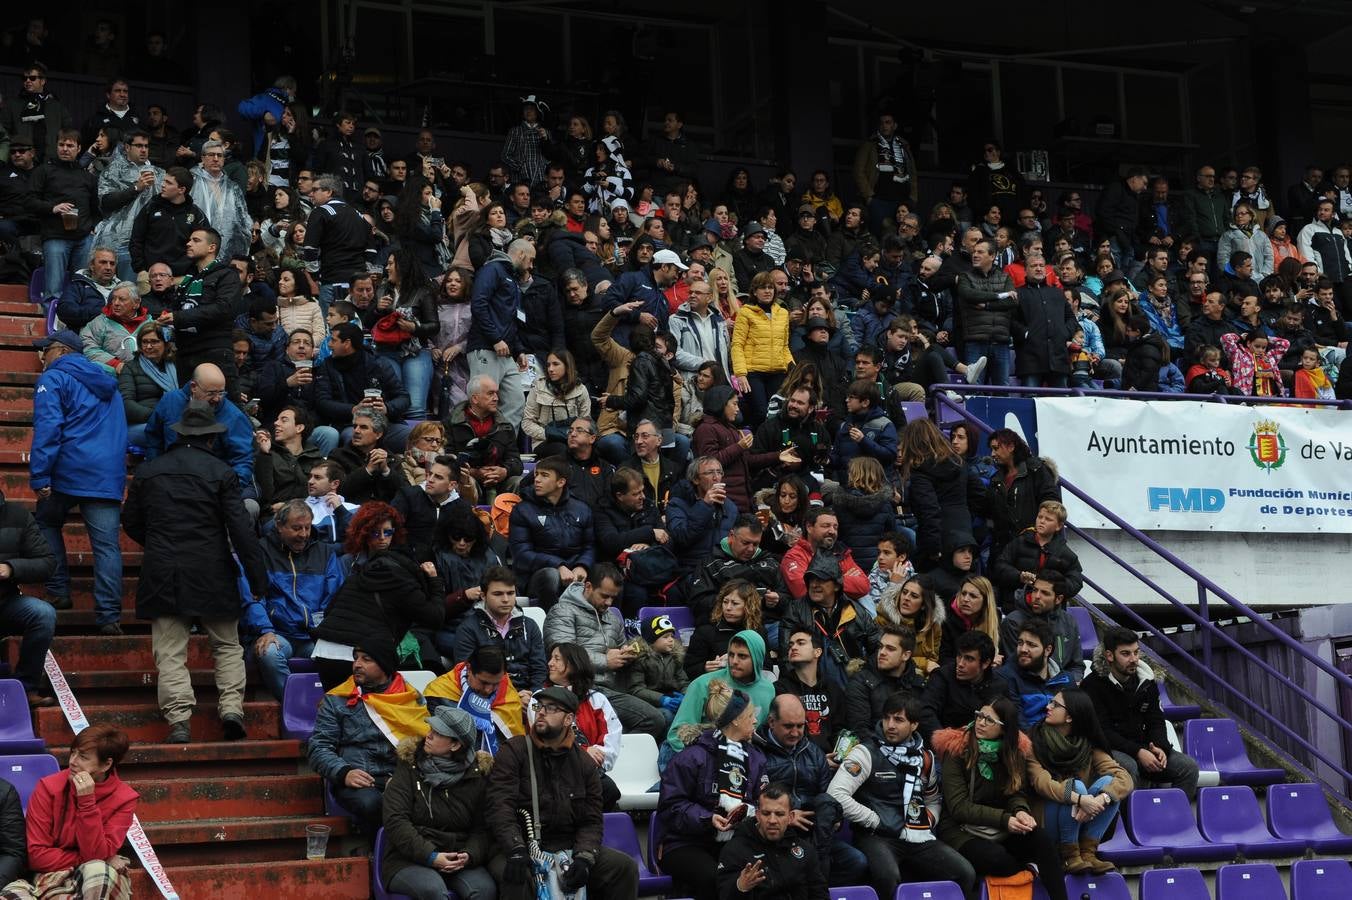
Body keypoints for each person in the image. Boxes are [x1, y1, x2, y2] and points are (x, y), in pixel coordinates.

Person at [123, 400, 266, 744]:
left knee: (170, 651)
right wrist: (258, 578)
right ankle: (231, 709)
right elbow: (242, 530)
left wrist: (157, 541)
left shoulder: (147, 471)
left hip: (163, 569)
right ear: (212, 438)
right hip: (213, 569)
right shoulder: (222, 473)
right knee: (227, 646)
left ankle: (179, 721)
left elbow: (131, 523)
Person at [485, 686, 640, 899]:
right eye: (539, 706)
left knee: (623, 867)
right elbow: (500, 806)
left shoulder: (584, 763)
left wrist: (584, 858)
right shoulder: (514, 750)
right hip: (520, 846)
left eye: (551, 709)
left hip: (568, 846)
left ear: (568, 719)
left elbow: (591, 821)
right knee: (515, 874)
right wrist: (516, 849)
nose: (540, 712)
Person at [830, 692, 977, 900]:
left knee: (965, 873)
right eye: (887, 717)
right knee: (887, 876)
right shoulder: (865, 753)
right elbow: (835, 794)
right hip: (876, 836)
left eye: (898, 720)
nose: (890, 725)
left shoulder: (924, 757)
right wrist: (874, 820)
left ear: (914, 725)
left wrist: (929, 820)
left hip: (917, 835)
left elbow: (933, 797)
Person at [29, 330, 127, 631]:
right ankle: (109, 617)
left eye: (45, 349)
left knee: (45, 522)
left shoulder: (53, 378)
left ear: (60, 350)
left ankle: (59, 591)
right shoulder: (108, 383)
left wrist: (40, 474)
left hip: (67, 471)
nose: (42, 356)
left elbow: (48, 427)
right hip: (105, 474)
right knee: (107, 547)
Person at [932, 698, 1069, 900]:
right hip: (960, 829)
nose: (980, 723)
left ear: (1004, 729)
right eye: (980, 715)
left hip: (1001, 826)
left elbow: (1016, 793)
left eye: (989, 720)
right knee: (999, 861)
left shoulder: (1014, 752)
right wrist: (1005, 819)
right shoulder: (957, 749)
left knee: (1043, 841)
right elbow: (958, 807)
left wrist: (1020, 810)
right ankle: (1027, 868)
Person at [310, 502, 445, 689]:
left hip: (326, 652)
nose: (382, 538)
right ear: (364, 534)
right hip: (361, 657)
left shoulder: (357, 572)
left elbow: (330, 612)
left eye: (388, 532)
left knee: (339, 713)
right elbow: (434, 617)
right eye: (375, 533)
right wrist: (434, 581)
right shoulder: (398, 574)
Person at [657, 688, 768, 900]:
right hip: (685, 843)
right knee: (715, 877)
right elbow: (670, 807)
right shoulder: (692, 757)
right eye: (751, 715)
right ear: (735, 720)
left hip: (735, 840)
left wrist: (748, 813)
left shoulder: (755, 758)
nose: (755, 721)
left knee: (763, 872)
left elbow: (761, 801)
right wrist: (708, 819)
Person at [308, 641, 429, 833]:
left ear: (385, 665)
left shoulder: (410, 697)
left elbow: (425, 744)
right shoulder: (336, 698)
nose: (357, 664)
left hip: (401, 775)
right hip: (358, 780)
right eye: (355, 658)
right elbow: (319, 748)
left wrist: (404, 777)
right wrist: (344, 773)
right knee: (373, 803)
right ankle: (380, 855)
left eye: (366, 659)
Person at [379, 706, 497, 900]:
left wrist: (469, 855)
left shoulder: (476, 776)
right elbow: (396, 821)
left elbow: (482, 829)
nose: (429, 735)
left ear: (455, 745)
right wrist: (431, 856)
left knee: (484, 890)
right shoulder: (408, 766)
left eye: (438, 733)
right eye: (431, 729)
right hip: (408, 859)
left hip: (458, 858)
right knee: (433, 891)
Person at [6, 725, 138, 900]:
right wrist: (96, 858)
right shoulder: (48, 787)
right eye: (73, 753)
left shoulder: (124, 798)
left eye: (83, 757)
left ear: (106, 764)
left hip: (93, 876)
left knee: (99, 872)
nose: (73, 761)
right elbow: (36, 855)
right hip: (45, 875)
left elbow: (95, 857)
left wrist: (87, 802)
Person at [543, 563, 668, 740]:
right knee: (654, 719)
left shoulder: (612, 618)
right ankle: (608, 752)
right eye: (604, 596)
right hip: (580, 688)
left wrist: (627, 655)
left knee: (661, 717)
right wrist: (605, 661)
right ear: (588, 586)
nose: (609, 603)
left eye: (613, 598)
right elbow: (563, 655)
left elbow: (620, 652)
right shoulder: (562, 611)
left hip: (612, 689)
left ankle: (608, 751)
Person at [242, 500, 345, 701]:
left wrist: (325, 630)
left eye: (307, 527)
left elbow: (335, 596)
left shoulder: (324, 552)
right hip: (278, 632)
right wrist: (265, 630)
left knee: (345, 655)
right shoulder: (261, 552)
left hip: (314, 635)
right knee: (269, 654)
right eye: (296, 528)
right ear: (279, 526)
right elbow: (254, 597)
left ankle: (330, 708)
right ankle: (296, 704)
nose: (304, 534)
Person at [1080, 626, 1200, 799]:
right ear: (1109, 656)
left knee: (1188, 767)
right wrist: (1138, 752)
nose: (1134, 659)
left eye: (1136, 653)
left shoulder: (1146, 681)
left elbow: (1156, 721)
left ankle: (1174, 820)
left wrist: (1159, 747)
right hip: (1108, 749)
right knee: (1129, 767)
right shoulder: (1092, 685)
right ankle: (1132, 823)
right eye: (1126, 654)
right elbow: (1102, 732)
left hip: (1142, 747)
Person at [1026, 688, 1131, 876]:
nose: (1047, 707)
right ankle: (1069, 855)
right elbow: (1041, 783)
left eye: (1055, 704)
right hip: (1044, 823)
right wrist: (1079, 799)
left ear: (1070, 717)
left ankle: (1087, 853)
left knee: (1109, 783)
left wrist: (1102, 799)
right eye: (1051, 702)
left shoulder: (1086, 746)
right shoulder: (1033, 741)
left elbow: (1124, 778)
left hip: (1079, 820)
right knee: (1076, 785)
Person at [156, 226, 244, 399]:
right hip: (185, 354)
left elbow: (223, 309)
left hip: (215, 351)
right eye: (189, 240)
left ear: (212, 247)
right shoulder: (187, 281)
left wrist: (178, 318)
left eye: (196, 240)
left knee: (228, 408)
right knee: (192, 411)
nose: (188, 244)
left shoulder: (227, 275)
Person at [779, 553, 880, 692]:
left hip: (851, 686)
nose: (814, 585)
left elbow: (878, 648)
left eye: (821, 580)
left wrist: (864, 678)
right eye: (811, 579)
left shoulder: (856, 611)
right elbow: (786, 656)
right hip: (809, 687)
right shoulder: (795, 610)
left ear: (837, 586)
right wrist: (803, 687)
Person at [715, 783, 831, 900]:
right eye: (766, 814)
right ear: (758, 815)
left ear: (790, 817)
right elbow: (724, 895)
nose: (772, 820)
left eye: (779, 814)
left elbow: (820, 894)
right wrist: (740, 887)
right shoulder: (735, 850)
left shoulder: (805, 850)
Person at [508, 456, 595, 609]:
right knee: (550, 575)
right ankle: (552, 624)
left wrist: (582, 565)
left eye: (544, 475)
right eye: (536, 474)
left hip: (575, 570)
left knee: (608, 574)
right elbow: (521, 554)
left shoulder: (582, 508)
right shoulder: (522, 510)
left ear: (561, 482)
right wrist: (558, 565)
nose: (537, 480)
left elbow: (590, 546)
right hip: (536, 576)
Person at [467, 238, 534, 429]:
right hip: (487, 347)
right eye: (530, 260)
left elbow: (512, 318)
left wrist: (519, 349)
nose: (531, 266)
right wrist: (495, 338)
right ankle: (478, 450)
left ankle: (502, 449)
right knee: (482, 404)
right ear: (521, 254)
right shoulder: (492, 269)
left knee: (515, 402)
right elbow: (478, 305)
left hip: (506, 351)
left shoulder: (512, 278)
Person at [25, 129, 98, 302]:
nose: (65, 149)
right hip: (55, 236)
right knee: (53, 290)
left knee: (82, 287)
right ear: (57, 146)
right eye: (61, 145)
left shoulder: (87, 177)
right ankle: (51, 325)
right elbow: (28, 201)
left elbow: (96, 208)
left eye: (70, 145)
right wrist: (53, 208)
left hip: (83, 238)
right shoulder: (44, 171)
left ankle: (79, 320)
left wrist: (94, 227)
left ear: (79, 148)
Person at [0, 489, 57, 708]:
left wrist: (10, 568)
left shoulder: (18, 515)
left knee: (43, 613)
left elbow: (47, 563)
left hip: (6, 603)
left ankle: (25, 689)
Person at [451, 564, 546, 695]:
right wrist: (513, 698)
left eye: (510, 593)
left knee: (551, 711)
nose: (506, 599)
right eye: (498, 594)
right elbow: (468, 675)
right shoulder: (468, 629)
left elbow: (539, 668)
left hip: (530, 697)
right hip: (489, 699)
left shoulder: (529, 625)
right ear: (483, 596)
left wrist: (533, 697)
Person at [423, 645, 527, 754]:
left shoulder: (508, 693)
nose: (488, 690)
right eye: (484, 682)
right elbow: (433, 739)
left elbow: (516, 743)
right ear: (468, 669)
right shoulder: (439, 693)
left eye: (496, 684)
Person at [985, 428, 1061, 565]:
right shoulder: (996, 479)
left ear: (1011, 447)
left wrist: (1038, 535)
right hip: (1004, 551)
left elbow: (1052, 504)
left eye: (996, 448)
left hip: (1034, 548)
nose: (992, 454)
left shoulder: (1036, 470)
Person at [919, 631, 1009, 741]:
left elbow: (1007, 722)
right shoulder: (943, 676)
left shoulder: (999, 686)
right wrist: (944, 740)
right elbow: (926, 711)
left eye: (969, 659)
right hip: (945, 745)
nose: (960, 664)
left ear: (985, 663)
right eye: (959, 656)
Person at [992, 499, 1084, 606]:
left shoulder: (1065, 553)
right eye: (1040, 517)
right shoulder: (1019, 542)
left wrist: (1052, 586)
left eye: (1048, 519)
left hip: (1048, 610)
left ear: (1058, 526)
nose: (1042, 521)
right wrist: (1019, 576)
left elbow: (1076, 582)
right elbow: (1000, 566)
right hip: (1016, 605)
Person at [731, 271, 793, 426]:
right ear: (754, 291)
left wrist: (793, 368)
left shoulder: (783, 313)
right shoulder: (745, 313)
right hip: (753, 373)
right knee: (760, 412)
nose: (767, 291)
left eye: (770, 287)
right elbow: (737, 344)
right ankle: (756, 446)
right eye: (762, 288)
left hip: (778, 371)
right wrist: (740, 374)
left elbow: (784, 346)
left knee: (778, 414)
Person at [844, 621, 925, 737]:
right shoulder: (861, 682)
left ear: (906, 655)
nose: (882, 653)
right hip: (872, 750)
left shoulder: (918, 685)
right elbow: (860, 730)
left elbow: (922, 727)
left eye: (890, 649)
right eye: (880, 647)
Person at [999, 573, 1083, 683]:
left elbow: (1076, 666)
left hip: (1062, 686)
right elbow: (1018, 666)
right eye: (1034, 590)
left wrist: (1069, 683)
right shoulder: (1014, 621)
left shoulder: (1069, 622)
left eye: (1045, 593)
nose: (1037, 596)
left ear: (1058, 599)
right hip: (1027, 687)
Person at [957, 239, 1017, 387]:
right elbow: (969, 295)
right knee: (974, 387)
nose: (975, 255)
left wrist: (987, 305)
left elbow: (1012, 302)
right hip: (975, 340)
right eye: (974, 252)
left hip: (1001, 341)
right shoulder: (965, 277)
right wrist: (999, 296)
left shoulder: (1005, 277)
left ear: (992, 256)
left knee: (1002, 389)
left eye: (980, 252)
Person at [774, 629, 846, 753]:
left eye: (800, 643)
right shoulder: (780, 689)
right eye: (791, 644)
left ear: (817, 652)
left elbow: (841, 730)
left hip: (831, 760)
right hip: (795, 760)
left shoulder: (833, 689)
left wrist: (837, 756)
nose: (793, 648)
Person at [779, 507, 870, 603]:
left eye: (835, 527)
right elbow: (805, 592)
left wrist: (827, 582)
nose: (832, 531)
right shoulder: (794, 557)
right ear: (809, 527)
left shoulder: (841, 552)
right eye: (826, 526)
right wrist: (840, 579)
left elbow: (864, 586)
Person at [999, 618, 1075, 730]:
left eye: (1031, 645)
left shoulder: (1066, 679)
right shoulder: (1005, 677)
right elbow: (1018, 723)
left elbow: (1078, 715)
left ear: (1048, 650)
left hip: (1061, 739)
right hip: (1028, 742)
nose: (1023, 649)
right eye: (1020, 643)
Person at [631, 614, 690, 727]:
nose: (671, 640)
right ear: (651, 640)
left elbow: (683, 682)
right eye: (665, 637)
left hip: (672, 698)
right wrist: (662, 699)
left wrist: (685, 696)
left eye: (672, 636)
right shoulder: (639, 658)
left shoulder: (675, 657)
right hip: (649, 703)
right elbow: (636, 690)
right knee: (667, 716)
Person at [940, 575, 1003, 667]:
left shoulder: (995, 618)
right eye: (963, 593)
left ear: (985, 601)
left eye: (973, 596)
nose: (965, 599)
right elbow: (944, 660)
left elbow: (1001, 655)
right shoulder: (946, 620)